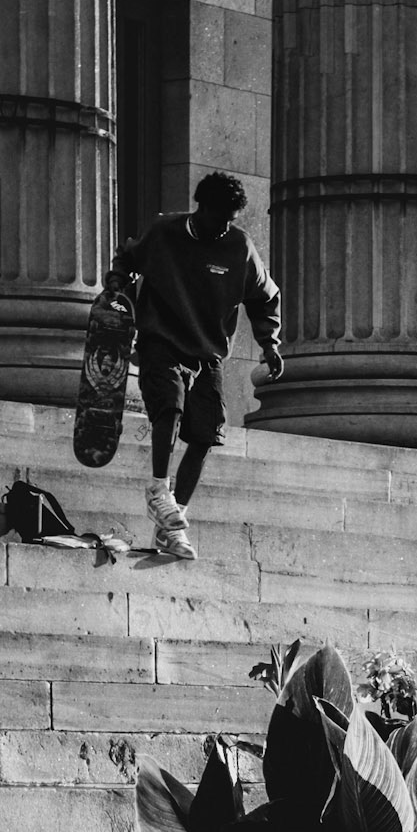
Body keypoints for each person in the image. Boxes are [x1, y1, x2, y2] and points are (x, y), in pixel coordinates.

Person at [105, 172, 283, 560]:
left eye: (230, 221)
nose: (223, 227)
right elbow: (128, 257)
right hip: (161, 338)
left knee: (205, 433)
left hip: (207, 352)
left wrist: (269, 344)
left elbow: (265, 296)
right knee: (169, 406)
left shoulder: (239, 247)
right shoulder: (165, 232)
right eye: (218, 218)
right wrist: (118, 282)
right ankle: (158, 489)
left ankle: (173, 523)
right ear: (200, 207)